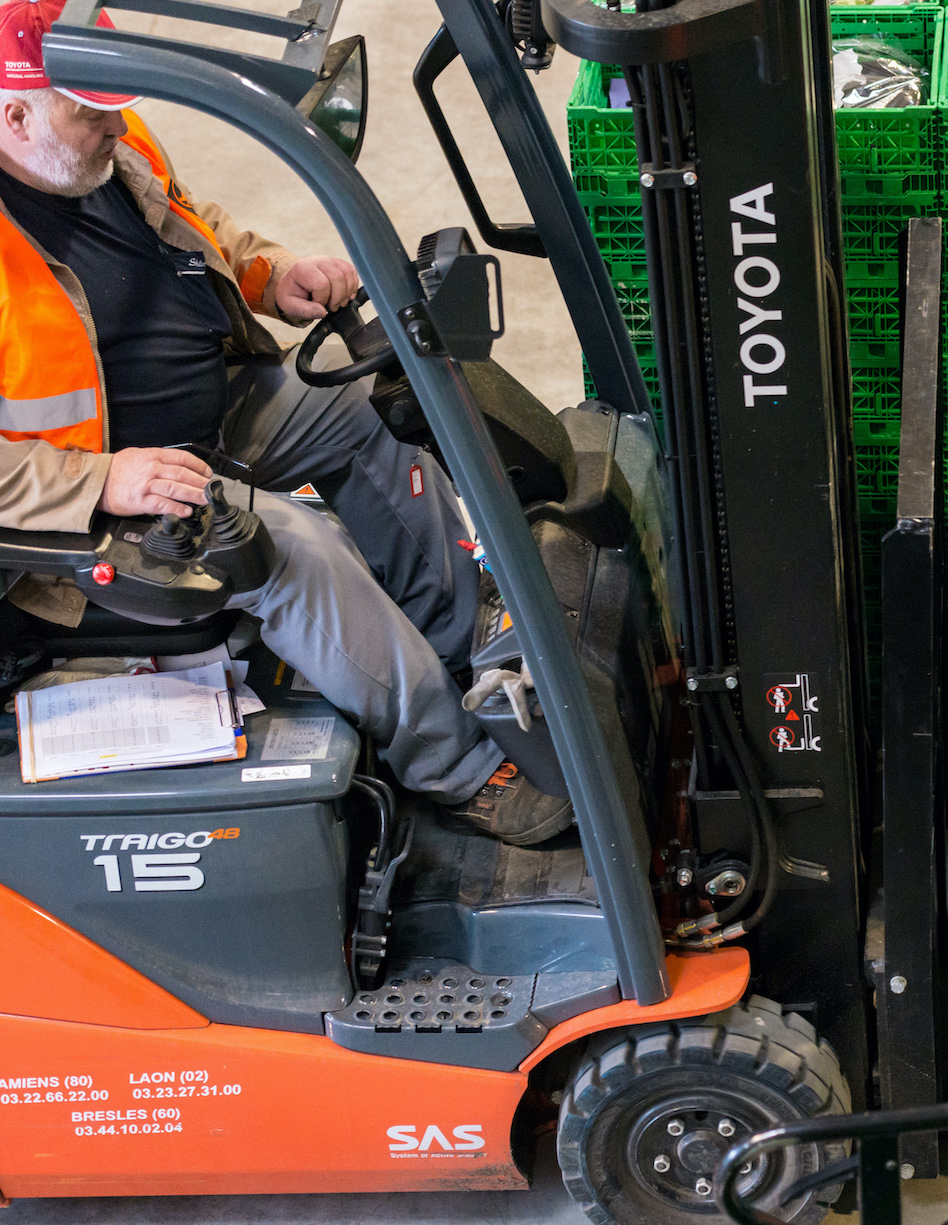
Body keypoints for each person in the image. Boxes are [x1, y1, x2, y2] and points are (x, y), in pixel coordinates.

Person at [0, 0, 567, 844]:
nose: (119, 126)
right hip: (98, 503)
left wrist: (269, 272)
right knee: (294, 547)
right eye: (92, 113)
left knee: (358, 406)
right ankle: (465, 770)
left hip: (212, 403)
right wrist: (101, 479)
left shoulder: (105, 147)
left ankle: (471, 654)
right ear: (15, 114)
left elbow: (193, 222)